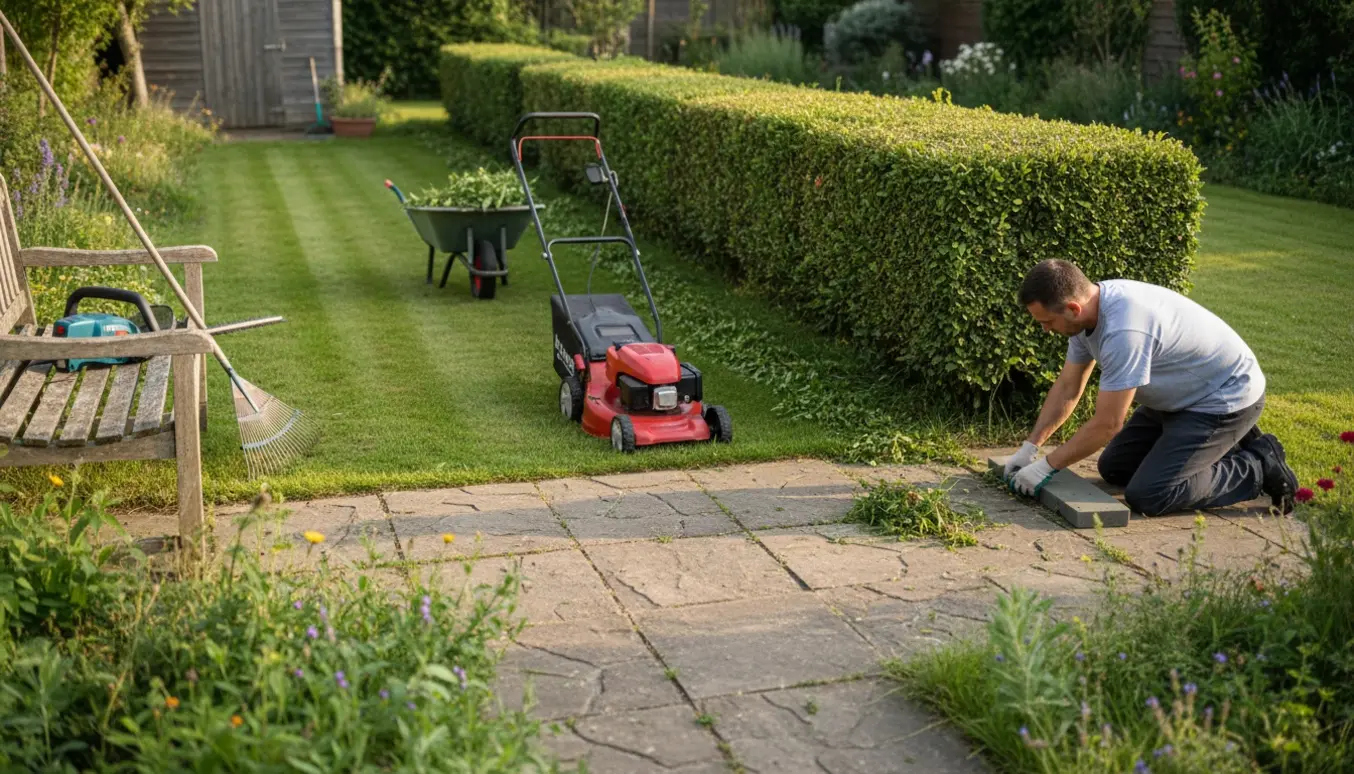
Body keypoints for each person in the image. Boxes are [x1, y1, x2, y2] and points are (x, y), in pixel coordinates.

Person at [1002, 259, 1299, 516]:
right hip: (1178, 398)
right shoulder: (1089, 310)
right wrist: (1031, 447)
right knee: (1116, 468)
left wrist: (1046, 467)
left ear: (1072, 307)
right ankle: (1222, 446)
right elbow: (1068, 387)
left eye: (1047, 321)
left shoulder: (1124, 331)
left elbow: (1107, 425)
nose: (1045, 329)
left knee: (1150, 495)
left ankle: (1259, 464)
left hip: (1223, 398)